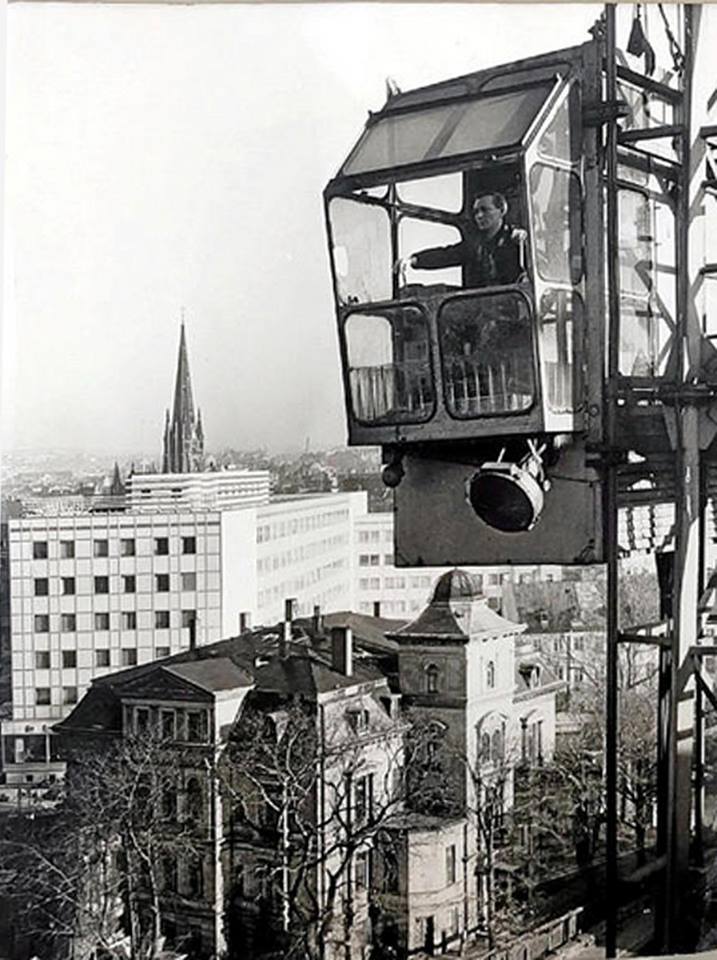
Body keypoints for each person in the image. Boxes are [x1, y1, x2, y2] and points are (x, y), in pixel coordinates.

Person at [397, 192, 528, 288]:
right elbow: (445, 255)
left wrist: (524, 241)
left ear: (501, 211)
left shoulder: (517, 239)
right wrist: (414, 260)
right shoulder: (473, 245)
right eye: (476, 212)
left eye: (485, 210)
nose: (479, 216)